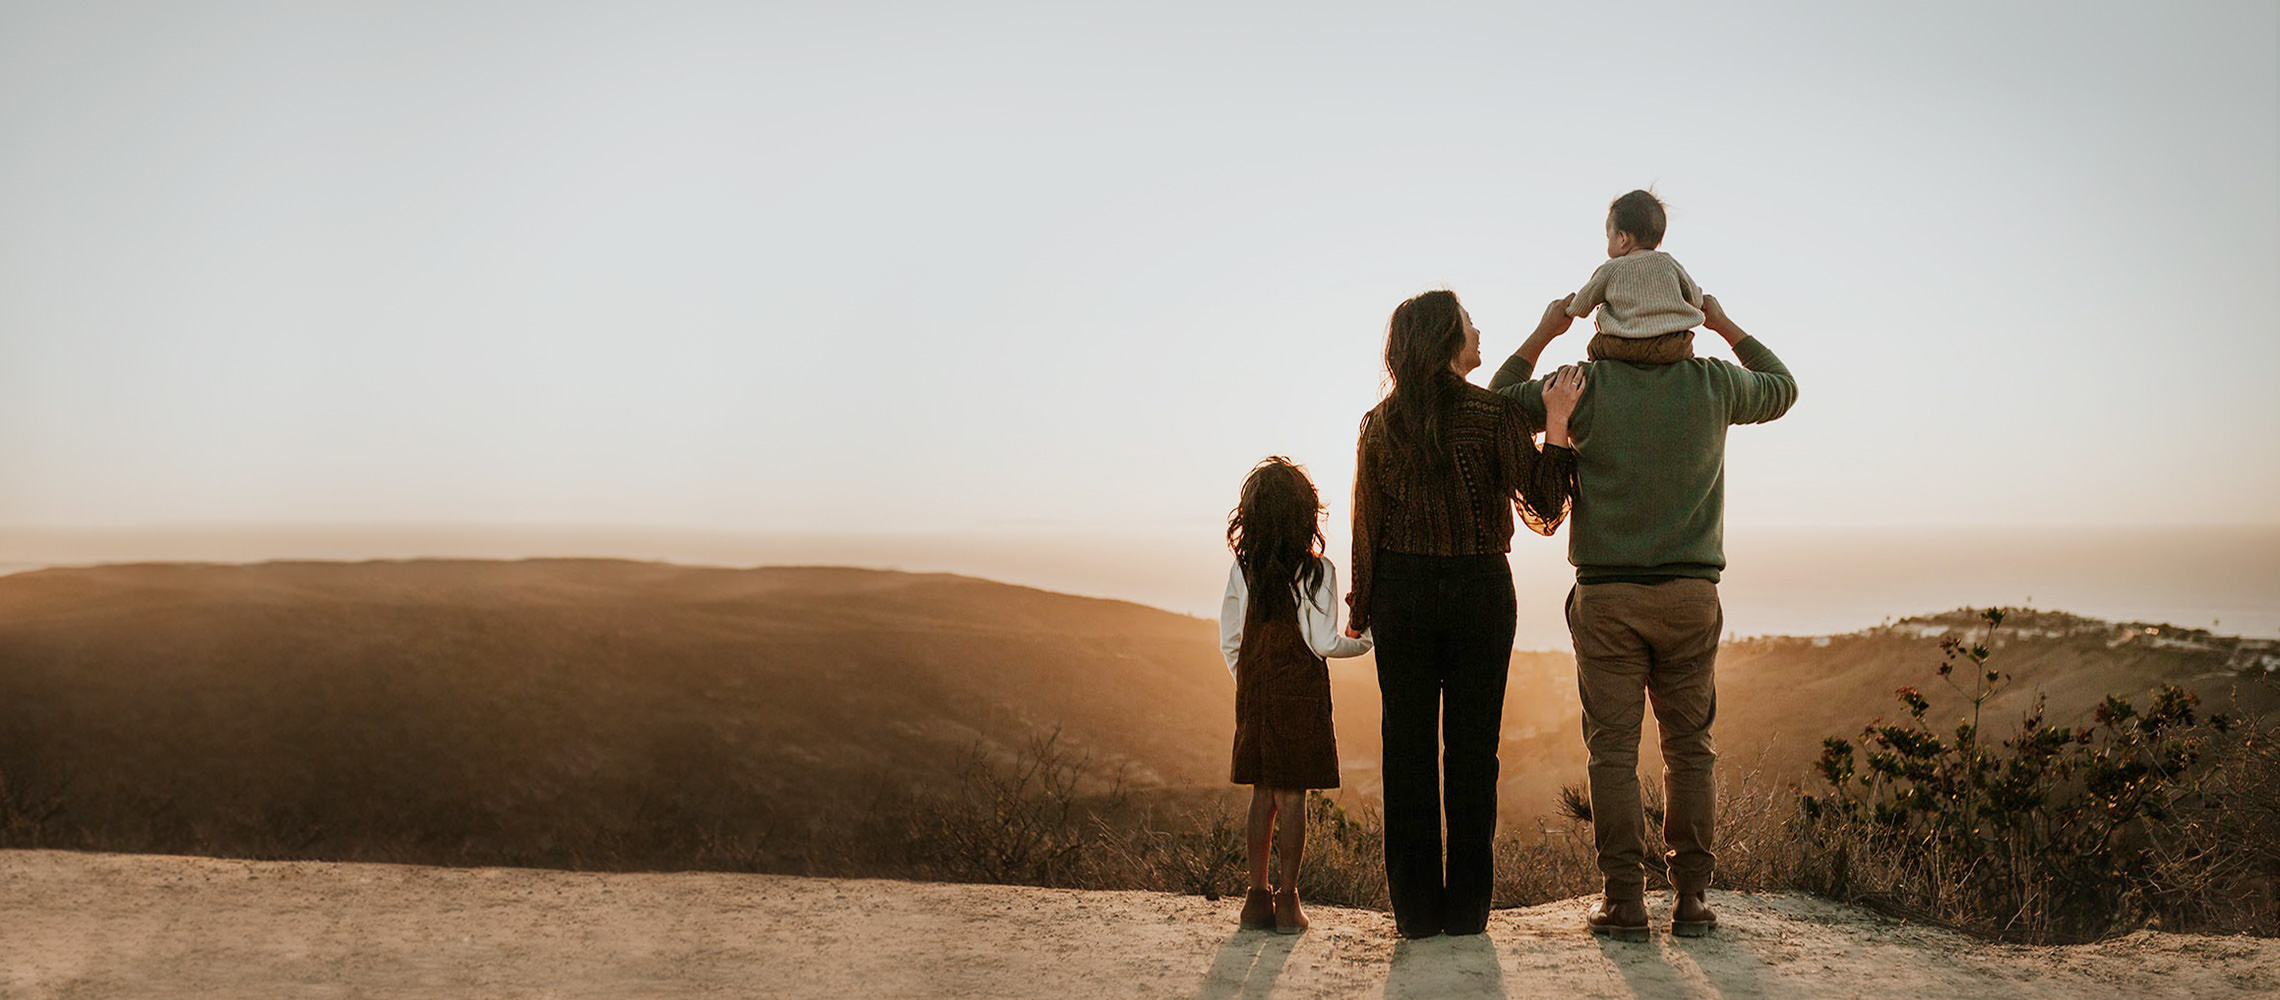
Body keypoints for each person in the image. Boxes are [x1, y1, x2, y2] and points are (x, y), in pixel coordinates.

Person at [1490, 292, 1798, 942]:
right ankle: (1691, 902)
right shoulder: (1714, 382)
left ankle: (1624, 902)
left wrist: (1547, 331)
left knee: (1612, 751)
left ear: (1608, 318)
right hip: (1690, 593)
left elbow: (1495, 400)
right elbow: (1782, 386)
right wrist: (1724, 324)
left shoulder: (1581, 384)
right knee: (1691, 750)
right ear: (1682, 319)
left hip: (1607, 598)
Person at [1348, 289, 1584, 939]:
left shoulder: (1380, 422)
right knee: (1475, 753)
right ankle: (1468, 914)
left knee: (1408, 752)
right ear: (1450, 341)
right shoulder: (1494, 414)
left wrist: (1361, 608)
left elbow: (1367, 525)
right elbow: (1541, 506)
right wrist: (1559, 424)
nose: (1479, 332)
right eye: (1470, 324)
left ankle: (1417, 914)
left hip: (1402, 595)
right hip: (1480, 590)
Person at [1219, 456, 1373, 934]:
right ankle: (1288, 903)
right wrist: (1365, 640)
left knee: (1262, 794)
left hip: (1256, 692)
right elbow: (1323, 643)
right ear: (1304, 514)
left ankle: (1255, 899)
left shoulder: (1243, 571)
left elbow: (1230, 640)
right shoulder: (1316, 571)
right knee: (1293, 797)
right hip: (1300, 694)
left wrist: (1248, 681)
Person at [1568, 189, 1706, 366]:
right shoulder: (1669, 263)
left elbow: (1582, 305)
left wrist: (1568, 309)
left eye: (1608, 237)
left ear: (1622, 238)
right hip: (1672, 347)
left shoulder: (1611, 268)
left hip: (1624, 346)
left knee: (1596, 346)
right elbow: (1695, 299)